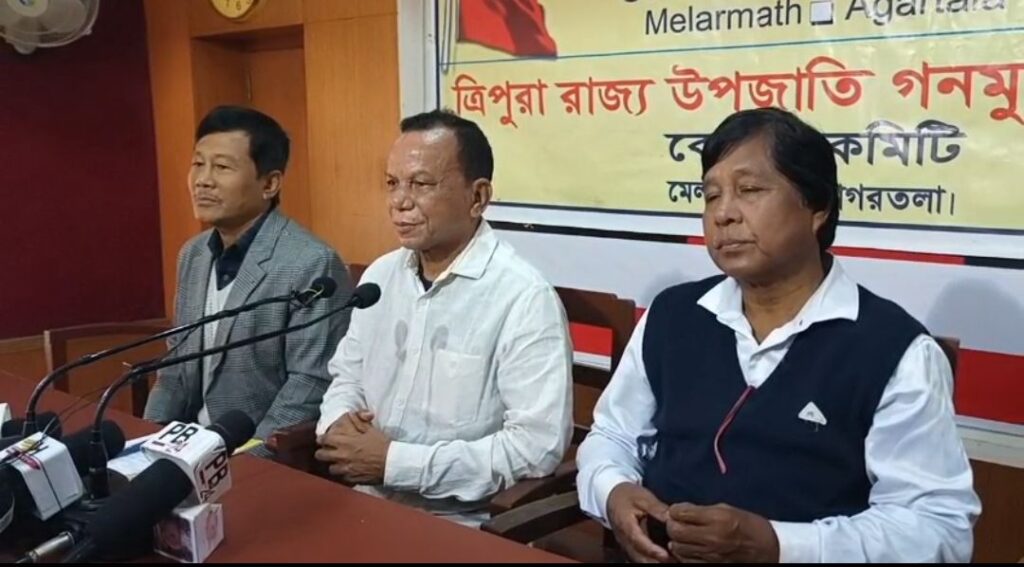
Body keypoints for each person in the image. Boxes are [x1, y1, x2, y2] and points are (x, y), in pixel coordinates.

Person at [576, 108, 981, 563]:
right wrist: (612, 490)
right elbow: (612, 435)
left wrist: (778, 545)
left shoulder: (895, 351)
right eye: (710, 196)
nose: (723, 214)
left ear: (817, 207)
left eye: (749, 190)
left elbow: (936, 529)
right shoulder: (672, 316)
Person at [314, 109, 573, 526]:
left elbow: (536, 447)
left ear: (478, 197)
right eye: (392, 183)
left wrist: (396, 463)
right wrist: (337, 426)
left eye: (421, 184)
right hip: (363, 501)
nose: (399, 201)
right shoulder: (380, 277)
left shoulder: (523, 297)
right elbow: (347, 375)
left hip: (462, 522)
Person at [144, 106, 351, 457]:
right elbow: (175, 367)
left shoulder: (311, 262)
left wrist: (240, 461)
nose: (203, 180)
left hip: (256, 456)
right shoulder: (193, 254)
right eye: (198, 164)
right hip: (187, 447)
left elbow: (309, 385)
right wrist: (148, 440)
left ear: (269, 184)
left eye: (222, 167)